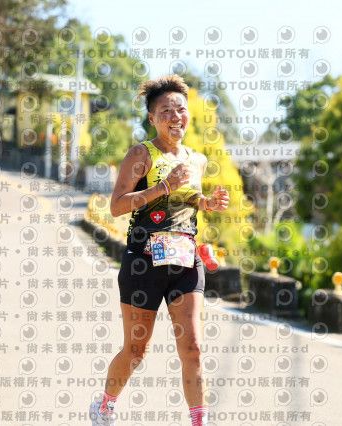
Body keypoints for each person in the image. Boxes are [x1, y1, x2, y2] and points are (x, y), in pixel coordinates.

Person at [89, 75, 230, 426]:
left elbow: (188, 200)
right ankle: (105, 406)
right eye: (166, 110)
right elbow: (117, 206)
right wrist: (162, 187)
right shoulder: (141, 154)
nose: (175, 116)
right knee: (136, 351)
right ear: (152, 118)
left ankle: (199, 421)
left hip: (185, 261)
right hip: (143, 263)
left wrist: (207, 203)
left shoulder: (197, 160)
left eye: (181, 109)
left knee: (193, 348)